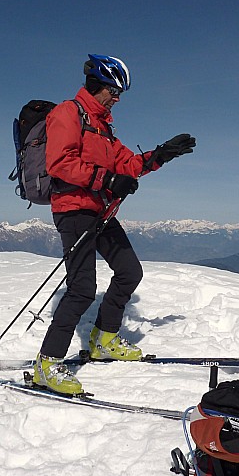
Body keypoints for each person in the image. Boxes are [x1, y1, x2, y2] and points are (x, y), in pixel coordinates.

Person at [33, 54, 196, 395]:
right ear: (97, 85)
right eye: (114, 91)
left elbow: (129, 164)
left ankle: (103, 339)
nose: (118, 98)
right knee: (81, 289)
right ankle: (47, 364)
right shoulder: (67, 113)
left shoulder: (103, 127)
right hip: (74, 211)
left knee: (129, 272)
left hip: (101, 212)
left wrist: (162, 154)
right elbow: (59, 163)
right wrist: (106, 179)